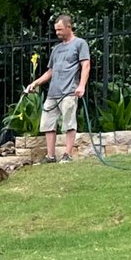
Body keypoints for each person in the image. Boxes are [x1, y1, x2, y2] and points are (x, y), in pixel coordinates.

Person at [26, 15, 90, 161]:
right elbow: (50, 71)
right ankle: (50, 156)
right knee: (47, 124)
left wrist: (81, 85)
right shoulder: (56, 49)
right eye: (56, 30)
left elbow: (86, 65)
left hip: (69, 92)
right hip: (52, 93)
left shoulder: (80, 43)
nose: (57, 33)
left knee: (69, 124)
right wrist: (35, 83)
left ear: (69, 27)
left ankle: (67, 155)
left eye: (60, 30)